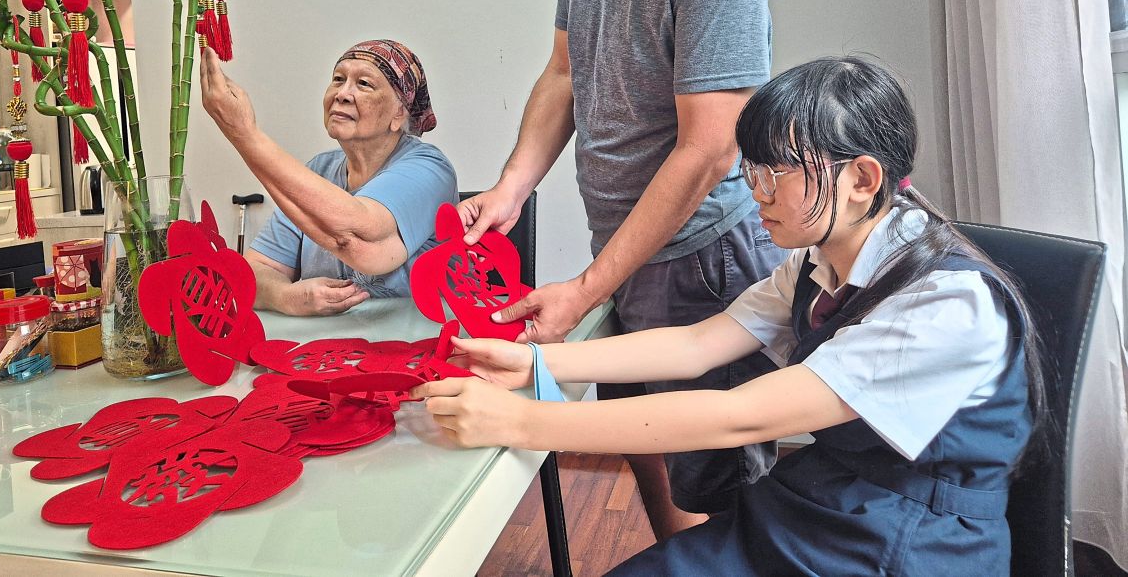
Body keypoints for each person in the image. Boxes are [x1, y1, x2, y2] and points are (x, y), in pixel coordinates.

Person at [415, 56, 1046, 576]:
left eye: (781, 172)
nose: (758, 192)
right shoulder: (821, 258)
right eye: (753, 168)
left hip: (910, 540)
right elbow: (696, 344)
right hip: (824, 504)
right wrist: (535, 359)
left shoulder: (944, 307)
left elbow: (734, 416)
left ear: (862, 178)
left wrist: (524, 422)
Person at [457, 0, 781, 533]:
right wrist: (510, 189)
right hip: (626, 253)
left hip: (704, 257)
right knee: (648, 463)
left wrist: (585, 288)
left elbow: (708, 149)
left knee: (721, 497)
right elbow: (565, 71)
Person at [200, 38, 457, 316]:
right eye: (338, 79)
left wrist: (244, 134)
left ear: (399, 113)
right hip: (326, 349)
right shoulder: (318, 170)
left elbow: (359, 236)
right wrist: (284, 296)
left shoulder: (429, 168)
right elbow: (256, 269)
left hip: (417, 345)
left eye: (364, 84)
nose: (343, 93)